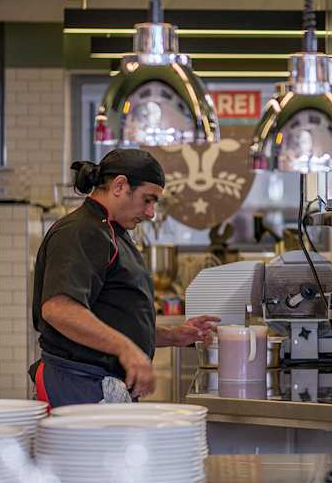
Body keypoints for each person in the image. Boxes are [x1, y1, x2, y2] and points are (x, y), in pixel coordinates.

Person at [30, 150, 218, 405]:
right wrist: (126, 349)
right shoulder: (81, 231)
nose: (151, 213)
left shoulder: (112, 231)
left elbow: (113, 319)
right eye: (147, 200)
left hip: (97, 383)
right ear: (119, 186)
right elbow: (59, 309)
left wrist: (173, 336)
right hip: (77, 383)